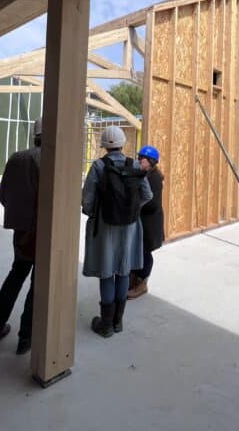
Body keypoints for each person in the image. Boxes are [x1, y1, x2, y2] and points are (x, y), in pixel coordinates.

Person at [82, 126, 152, 338]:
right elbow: (147, 194)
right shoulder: (134, 165)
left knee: (106, 272)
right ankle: (118, 322)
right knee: (123, 270)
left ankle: (106, 325)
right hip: (130, 227)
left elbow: (86, 201)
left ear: (104, 145)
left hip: (105, 227)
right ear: (123, 143)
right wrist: (131, 209)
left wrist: (98, 212)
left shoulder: (99, 166)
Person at [0, 118, 42, 355]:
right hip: (44, 233)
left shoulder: (16, 158)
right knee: (39, 283)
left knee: (16, 274)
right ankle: (26, 337)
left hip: (21, 232)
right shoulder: (52, 160)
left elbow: (3, 196)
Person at [128, 145, 165, 300]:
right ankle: (134, 280)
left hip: (150, 223)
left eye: (141, 159)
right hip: (142, 221)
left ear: (150, 161)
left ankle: (142, 284)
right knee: (138, 250)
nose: (139, 160)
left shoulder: (154, 178)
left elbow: (153, 203)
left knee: (145, 252)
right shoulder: (145, 174)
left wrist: (135, 201)